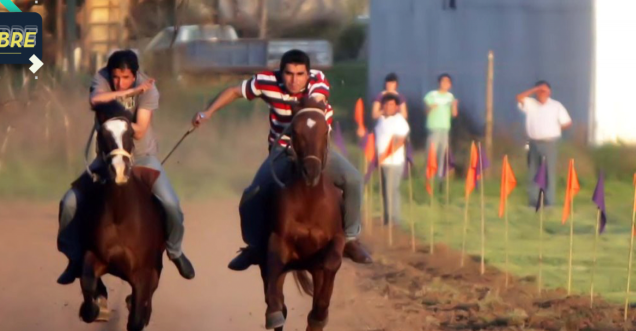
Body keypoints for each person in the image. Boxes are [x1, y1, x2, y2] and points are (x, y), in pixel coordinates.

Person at [191, 49, 372, 270]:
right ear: (281, 72)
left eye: (300, 74)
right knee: (252, 194)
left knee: (354, 180)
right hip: (283, 150)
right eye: (288, 74)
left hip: (316, 151)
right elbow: (234, 91)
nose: (294, 80)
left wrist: (305, 111)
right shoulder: (266, 81)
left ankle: (351, 239)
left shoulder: (318, 81)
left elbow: (316, 101)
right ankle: (254, 247)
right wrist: (208, 112)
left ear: (308, 74)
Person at [56, 50, 195, 285]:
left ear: (136, 74)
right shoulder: (101, 78)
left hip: (141, 158)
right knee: (68, 202)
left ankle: (175, 251)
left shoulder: (148, 89)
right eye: (116, 77)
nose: (119, 82)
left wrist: (119, 116)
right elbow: (94, 100)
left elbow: (139, 130)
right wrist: (129, 92)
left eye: (126, 78)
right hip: (107, 157)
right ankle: (74, 258)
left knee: (171, 203)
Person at [516, 80, 572, 208]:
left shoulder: (556, 106)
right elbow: (519, 97)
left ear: (549, 92)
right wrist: (534, 89)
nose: (542, 93)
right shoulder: (530, 103)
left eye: (545, 90)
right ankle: (533, 201)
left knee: (549, 173)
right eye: (540, 90)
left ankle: (549, 202)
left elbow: (567, 122)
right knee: (532, 172)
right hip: (533, 142)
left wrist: (555, 129)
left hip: (550, 143)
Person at [374, 94, 410, 225]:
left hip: (394, 161)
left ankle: (394, 221)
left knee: (391, 190)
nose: (389, 107)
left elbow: (400, 141)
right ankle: (387, 218)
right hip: (382, 161)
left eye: (392, 105)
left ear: (396, 107)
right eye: (387, 104)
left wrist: (385, 155)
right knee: (384, 190)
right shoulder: (381, 120)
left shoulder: (399, 120)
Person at [423, 73, 458, 176]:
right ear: (439, 83)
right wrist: (430, 107)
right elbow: (425, 110)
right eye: (443, 81)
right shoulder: (432, 95)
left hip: (445, 128)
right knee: (431, 152)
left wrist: (454, 106)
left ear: (450, 85)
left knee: (443, 153)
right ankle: (429, 175)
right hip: (433, 127)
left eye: (447, 82)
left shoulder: (450, 96)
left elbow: (454, 114)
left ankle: (440, 176)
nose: (445, 84)